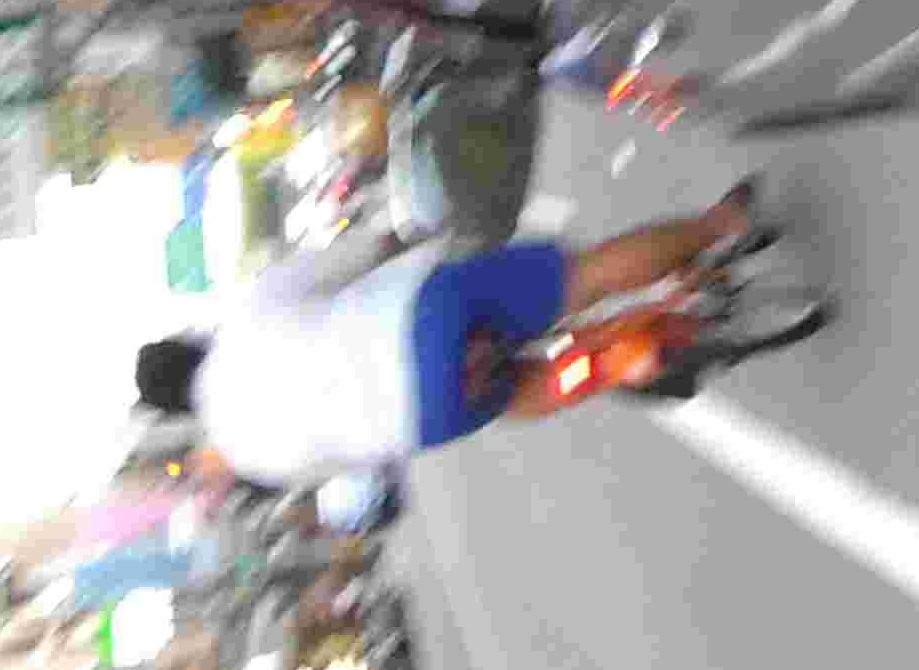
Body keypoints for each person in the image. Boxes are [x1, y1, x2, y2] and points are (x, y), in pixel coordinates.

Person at [133, 183, 766, 486]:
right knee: (586, 276)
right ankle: (720, 226)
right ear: (190, 344)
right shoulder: (247, 313)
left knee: (523, 389)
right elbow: (361, 253)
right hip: (423, 311)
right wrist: (399, 238)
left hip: (430, 412)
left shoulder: (247, 458)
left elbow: (348, 463)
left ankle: (627, 361)